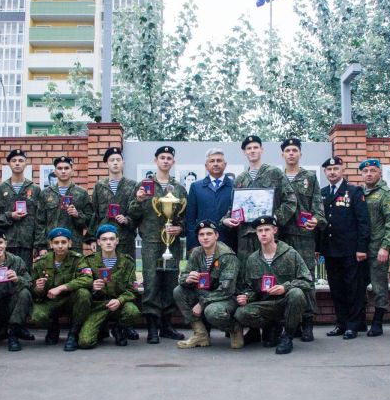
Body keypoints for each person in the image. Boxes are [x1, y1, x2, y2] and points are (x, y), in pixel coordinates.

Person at [222, 135, 297, 344]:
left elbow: (291, 201)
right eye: (249, 148)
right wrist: (227, 219)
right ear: (245, 152)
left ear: (262, 150)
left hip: (267, 237)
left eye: (256, 147)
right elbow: (234, 208)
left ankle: (273, 327)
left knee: (271, 276)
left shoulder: (274, 173)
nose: (252, 150)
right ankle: (253, 326)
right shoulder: (240, 178)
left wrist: (274, 222)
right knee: (250, 279)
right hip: (245, 236)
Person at [128, 146, 188, 344]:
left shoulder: (178, 188)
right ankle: (152, 326)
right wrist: (138, 200)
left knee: (170, 282)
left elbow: (185, 217)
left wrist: (180, 229)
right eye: (162, 157)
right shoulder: (144, 186)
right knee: (152, 283)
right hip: (151, 242)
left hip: (171, 243)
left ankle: (166, 325)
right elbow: (133, 215)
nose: (165, 161)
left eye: (169, 158)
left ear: (173, 162)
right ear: (156, 161)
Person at [234, 216, 311, 354]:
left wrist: (285, 287)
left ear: (274, 230)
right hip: (266, 305)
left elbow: (307, 281)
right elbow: (250, 287)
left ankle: (287, 336)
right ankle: (270, 327)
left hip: (286, 303)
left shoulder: (290, 254)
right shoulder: (252, 260)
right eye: (260, 230)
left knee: (297, 293)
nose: (263, 233)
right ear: (256, 233)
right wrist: (246, 297)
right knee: (241, 313)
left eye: (267, 230)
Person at [278, 138, 326, 342]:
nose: (291, 153)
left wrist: (317, 220)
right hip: (281, 235)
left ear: (300, 153)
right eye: (287, 150)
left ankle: (307, 323)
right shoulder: (276, 176)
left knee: (306, 279)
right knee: (283, 278)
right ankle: (289, 323)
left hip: (304, 236)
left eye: (294, 150)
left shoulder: (310, 177)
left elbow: (317, 206)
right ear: (282, 154)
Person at [318, 156, 370, 339]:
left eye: (336, 169)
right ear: (325, 172)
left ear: (342, 170)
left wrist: (362, 248)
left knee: (353, 289)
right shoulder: (322, 193)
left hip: (350, 250)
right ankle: (341, 323)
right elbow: (321, 223)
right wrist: (319, 248)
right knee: (337, 288)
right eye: (329, 169)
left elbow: (363, 222)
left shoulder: (354, 191)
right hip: (331, 250)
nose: (332, 172)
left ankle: (353, 325)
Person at [174, 220, 243, 349]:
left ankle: (234, 329)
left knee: (212, 311)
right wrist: (188, 279)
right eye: (201, 235)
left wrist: (202, 303)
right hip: (206, 293)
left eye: (209, 234)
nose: (205, 237)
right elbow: (183, 276)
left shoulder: (226, 256)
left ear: (216, 235)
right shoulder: (197, 253)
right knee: (179, 291)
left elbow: (226, 290)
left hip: (227, 298)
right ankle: (200, 334)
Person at [29, 227, 93, 352]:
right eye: (56, 243)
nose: (60, 246)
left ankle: (73, 334)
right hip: (49, 302)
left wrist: (61, 288)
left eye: (63, 242)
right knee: (37, 316)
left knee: (84, 294)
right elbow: (32, 288)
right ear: (51, 244)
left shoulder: (78, 259)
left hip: (70, 300)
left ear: (70, 243)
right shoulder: (41, 262)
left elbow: (87, 279)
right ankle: (53, 327)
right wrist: (38, 288)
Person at [77, 225, 141, 349]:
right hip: (98, 306)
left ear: (117, 241)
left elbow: (133, 289)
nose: (108, 242)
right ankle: (102, 327)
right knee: (85, 342)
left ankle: (119, 328)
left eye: (112, 239)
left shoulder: (127, 262)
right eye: (104, 239)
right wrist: (93, 286)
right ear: (98, 242)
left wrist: (119, 300)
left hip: (119, 304)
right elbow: (81, 282)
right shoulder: (88, 261)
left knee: (132, 311)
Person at [359, 159, 390, 336]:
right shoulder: (358, 192)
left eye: (373, 171)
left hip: (378, 249)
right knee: (358, 285)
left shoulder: (387, 194)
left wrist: (386, 247)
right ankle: (360, 320)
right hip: (360, 249)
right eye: (365, 171)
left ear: (379, 173)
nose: (369, 174)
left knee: (378, 286)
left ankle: (378, 321)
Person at [0, 149, 42, 272]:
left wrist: (38, 244)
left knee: (25, 277)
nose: (17, 163)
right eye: (14, 161)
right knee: (4, 277)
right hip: (4, 243)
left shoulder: (35, 189)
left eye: (21, 160)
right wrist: (10, 216)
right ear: (9, 164)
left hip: (27, 244)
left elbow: (40, 220)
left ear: (26, 164)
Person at [34, 156, 94, 255]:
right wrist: (41, 246)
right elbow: (40, 222)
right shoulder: (46, 193)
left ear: (72, 171)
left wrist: (77, 215)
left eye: (66, 168)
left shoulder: (81, 193)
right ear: (55, 172)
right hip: (52, 245)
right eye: (60, 168)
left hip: (74, 245)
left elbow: (90, 220)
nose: (63, 171)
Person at [88, 147, 139, 261]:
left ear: (123, 163)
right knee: (103, 271)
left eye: (118, 160)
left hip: (125, 237)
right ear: (106, 163)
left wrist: (127, 220)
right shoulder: (99, 186)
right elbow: (94, 213)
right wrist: (92, 238)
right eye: (112, 160)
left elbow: (137, 212)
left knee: (126, 271)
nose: (115, 163)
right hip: (104, 238)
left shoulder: (133, 185)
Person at [185, 148, 235, 251]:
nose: (216, 164)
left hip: (229, 243)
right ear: (206, 166)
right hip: (203, 243)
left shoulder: (235, 187)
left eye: (219, 160)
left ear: (225, 164)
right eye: (212, 161)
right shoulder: (196, 187)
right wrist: (193, 245)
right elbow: (190, 219)